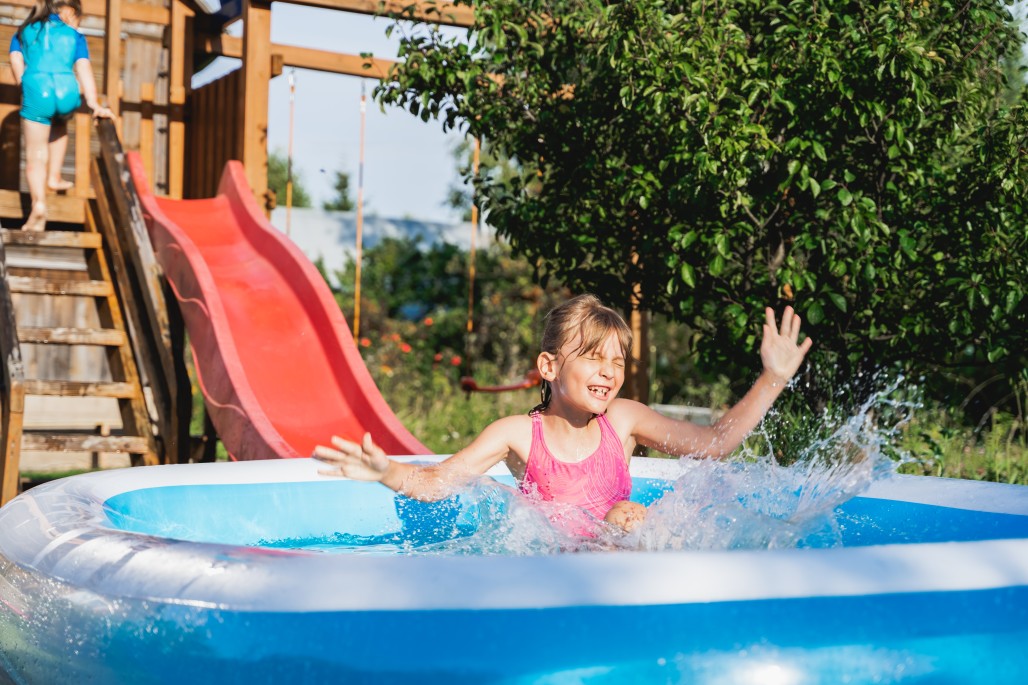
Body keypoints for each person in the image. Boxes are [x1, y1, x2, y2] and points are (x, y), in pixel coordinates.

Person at [313, 294, 813, 535]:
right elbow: (438, 483)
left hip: (620, 559)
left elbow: (716, 445)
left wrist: (773, 378)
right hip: (552, 572)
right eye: (594, 357)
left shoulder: (623, 420)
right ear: (550, 366)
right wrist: (386, 473)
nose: (609, 371)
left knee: (627, 516)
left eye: (618, 360)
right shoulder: (516, 435)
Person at [9, 0, 113, 231]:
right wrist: (94, 104)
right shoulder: (74, 35)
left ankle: (39, 205)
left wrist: (23, 83)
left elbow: (16, 59)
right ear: (68, 11)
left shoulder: (25, 30)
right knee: (60, 123)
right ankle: (54, 176)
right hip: (67, 89)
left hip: (37, 87)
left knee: (36, 154)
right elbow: (84, 68)